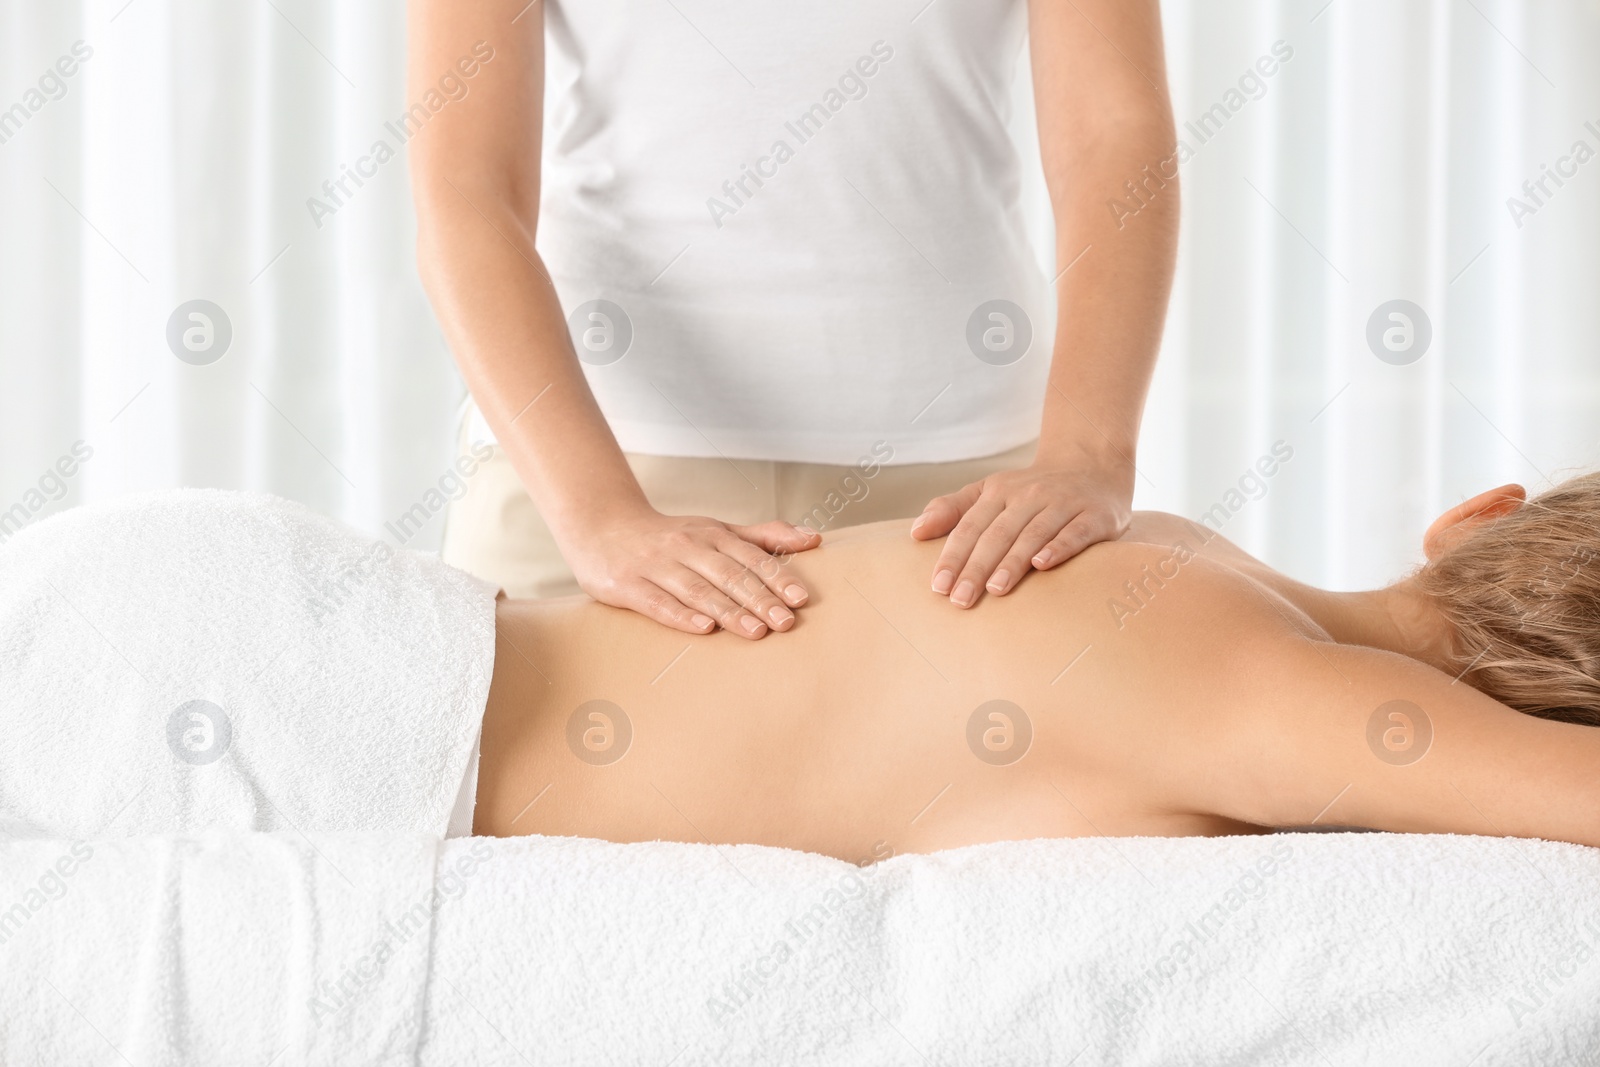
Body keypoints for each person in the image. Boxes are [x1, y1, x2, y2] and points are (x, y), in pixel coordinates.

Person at [6, 474, 1599, 860]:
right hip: (344, 721)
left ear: (1475, 517)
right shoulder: (1293, 701)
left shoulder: (1173, 549)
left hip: (256, 593)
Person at [408, 0, 1179, 640]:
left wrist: (1090, 453)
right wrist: (599, 518)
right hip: (582, 485)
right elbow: (465, 191)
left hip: (968, 506)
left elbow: (1112, 139)